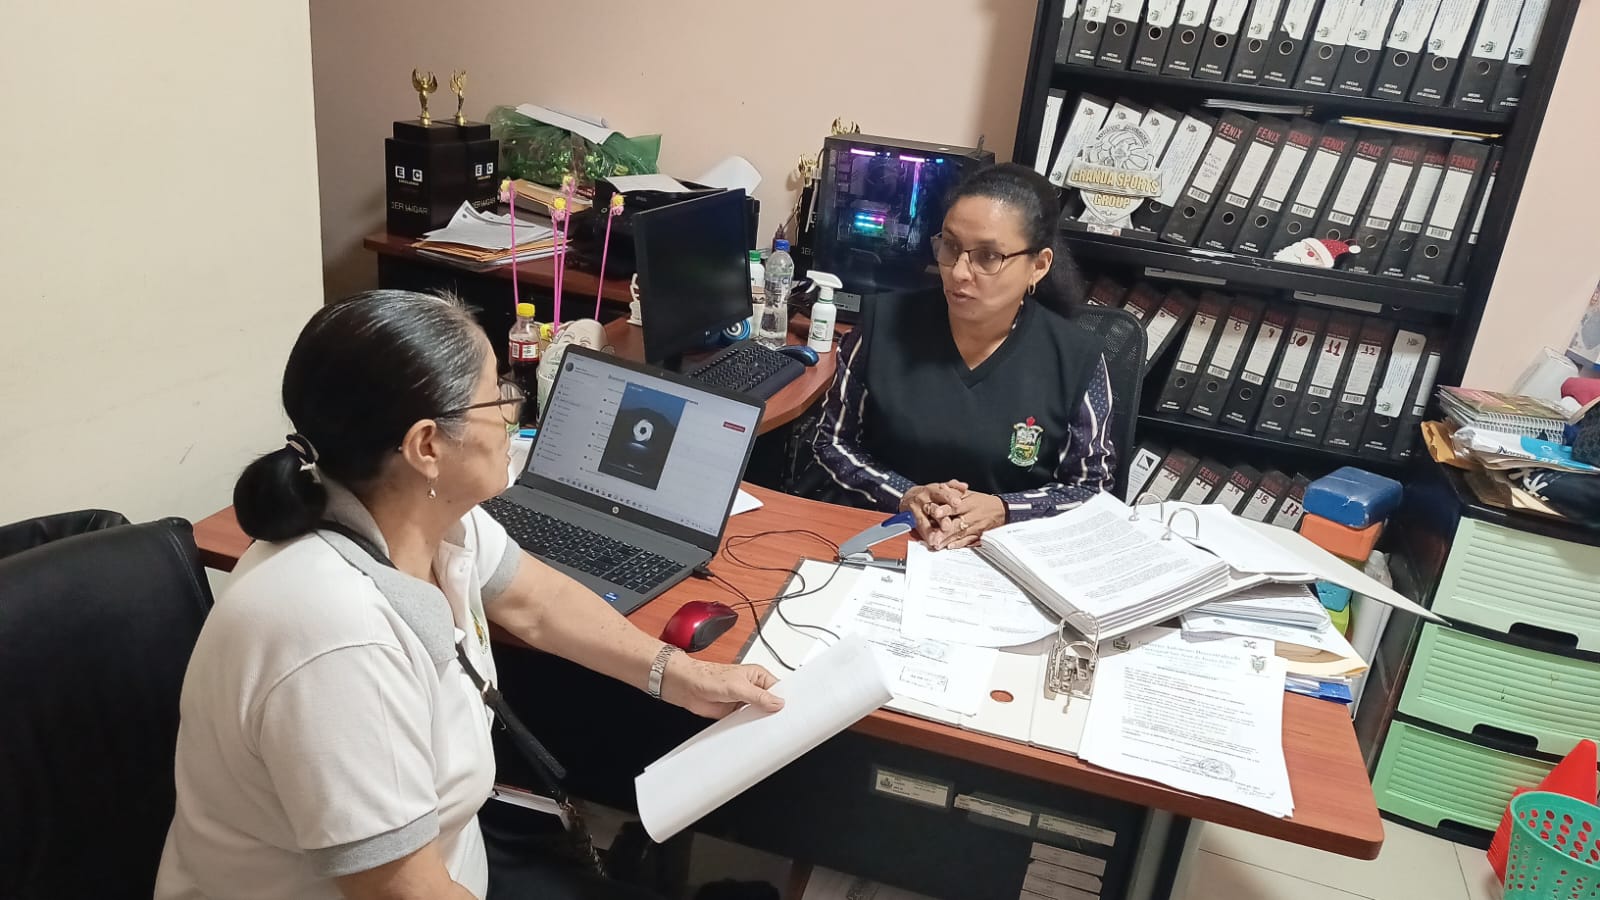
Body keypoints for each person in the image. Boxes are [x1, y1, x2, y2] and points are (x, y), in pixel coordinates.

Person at [154, 290, 783, 900]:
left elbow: (538, 602)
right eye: (497, 394)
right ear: (427, 446)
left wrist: (681, 675)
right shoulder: (337, 642)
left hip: (458, 860)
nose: (512, 409)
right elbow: (402, 893)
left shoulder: (427, 518)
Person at [812, 163, 1115, 550]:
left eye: (988, 256)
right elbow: (831, 442)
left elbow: (1090, 489)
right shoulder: (882, 325)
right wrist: (905, 495)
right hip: (887, 535)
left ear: (1038, 266)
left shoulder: (1075, 358)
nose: (958, 272)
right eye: (951, 247)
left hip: (1004, 552)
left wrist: (1004, 509)